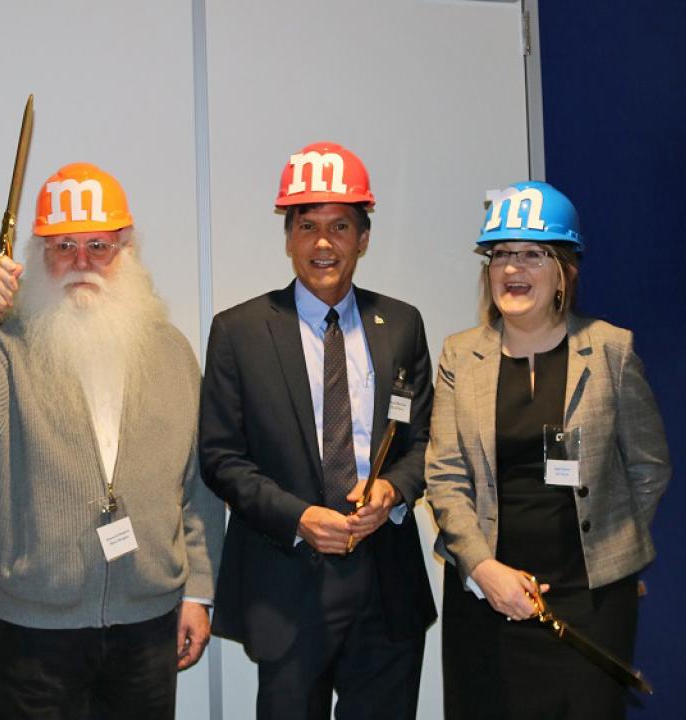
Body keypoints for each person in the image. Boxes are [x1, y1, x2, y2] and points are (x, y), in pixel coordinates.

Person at [0, 161, 223, 720]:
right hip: (37, 633)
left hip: (149, 625)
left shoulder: (171, 351)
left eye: (98, 246)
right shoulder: (5, 344)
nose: (82, 263)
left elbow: (198, 485)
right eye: (64, 247)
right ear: (38, 256)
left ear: (125, 250)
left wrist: (198, 594)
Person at [200, 141, 437, 720]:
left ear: (363, 238)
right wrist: (299, 518)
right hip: (287, 586)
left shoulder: (401, 324)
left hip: (386, 583)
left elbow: (425, 439)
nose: (323, 243)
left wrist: (394, 490)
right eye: (307, 226)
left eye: (340, 226)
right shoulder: (239, 332)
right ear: (288, 238)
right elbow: (221, 458)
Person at [425, 181, 671, 719]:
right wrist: (482, 567)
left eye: (533, 254)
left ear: (564, 270)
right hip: (484, 596)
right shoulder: (459, 356)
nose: (513, 269)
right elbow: (444, 476)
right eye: (502, 254)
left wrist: (614, 550)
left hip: (591, 603)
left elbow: (650, 466)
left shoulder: (611, 349)